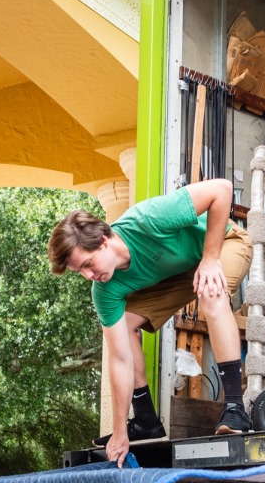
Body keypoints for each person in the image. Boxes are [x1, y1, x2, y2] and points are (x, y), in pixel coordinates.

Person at [48, 179, 253, 466]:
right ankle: (145, 420)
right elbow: (119, 359)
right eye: (79, 271)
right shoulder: (105, 290)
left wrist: (210, 258)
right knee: (126, 323)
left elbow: (221, 189)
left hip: (224, 244)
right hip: (181, 272)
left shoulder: (148, 219)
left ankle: (235, 407)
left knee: (210, 290)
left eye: (87, 264)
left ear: (103, 240)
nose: (88, 275)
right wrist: (120, 431)